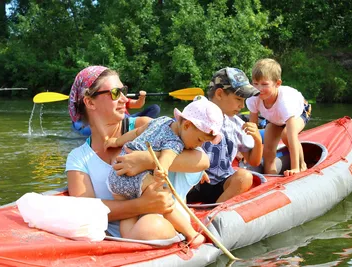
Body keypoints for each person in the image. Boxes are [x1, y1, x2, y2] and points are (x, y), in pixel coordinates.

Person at [65, 66, 210, 241]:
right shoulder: (78, 158)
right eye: (115, 93)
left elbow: (202, 160)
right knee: (148, 227)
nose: (125, 99)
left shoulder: (146, 126)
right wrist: (140, 205)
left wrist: (146, 160)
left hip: (164, 225)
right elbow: (85, 211)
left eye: (124, 91)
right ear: (90, 102)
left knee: (151, 226)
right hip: (116, 239)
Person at [104, 96, 224, 245]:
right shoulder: (175, 142)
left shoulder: (160, 121)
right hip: (136, 177)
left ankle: (128, 236)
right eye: (199, 140)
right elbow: (167, 158)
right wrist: (162, 169)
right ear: (186, 125)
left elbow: (136, 133)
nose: (199, 146)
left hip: (116, 175)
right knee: (164, 200)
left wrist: (116, 141)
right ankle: (191, 233)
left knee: (128, 213)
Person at [187, 67, 263, 204]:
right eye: (238, 99)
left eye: (243, 100)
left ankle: (214, 212)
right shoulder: (196, 117)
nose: (242, 106)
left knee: (244, 177)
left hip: (221, 184)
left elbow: (253, 161)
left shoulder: (236, 124)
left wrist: (257, 140)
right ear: (220, 94)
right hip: (192, 182)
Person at [246, 58, 312, 176]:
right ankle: (270, 177)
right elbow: (252, 127)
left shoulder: (285, 103)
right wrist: (245, 151)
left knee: (286, 134)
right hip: (275, 119)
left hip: (300, 111)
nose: (259, 89)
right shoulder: (253, 98)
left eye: (264, 84)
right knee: (268, 151)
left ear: (277, 84)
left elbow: (291, 137)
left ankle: (302, 166)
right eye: (255, 84)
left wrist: (294, 168)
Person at [71, 90, 160, 136]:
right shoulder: (99, 104)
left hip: (128, 118)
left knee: (155, 108)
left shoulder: (123, 99)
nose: (123, 99)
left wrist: (142, 97)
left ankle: (143, 127)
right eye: (116, 93)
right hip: (121, 121)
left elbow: (138, 104)